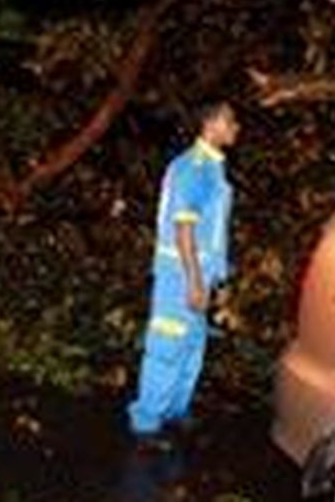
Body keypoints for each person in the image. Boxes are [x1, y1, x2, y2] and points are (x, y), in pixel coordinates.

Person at [127, 101, 239, 448]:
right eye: (230, 120)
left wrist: (215, 278)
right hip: (180, 276)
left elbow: (211, 231)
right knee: (167, 346)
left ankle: (175, 410)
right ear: (211, 123)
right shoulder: (193, 168)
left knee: (191, 346)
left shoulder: (212, 168)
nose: (236, 127)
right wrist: (193, 279)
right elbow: (184, 229)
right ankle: (146, 424)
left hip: (198, 274)